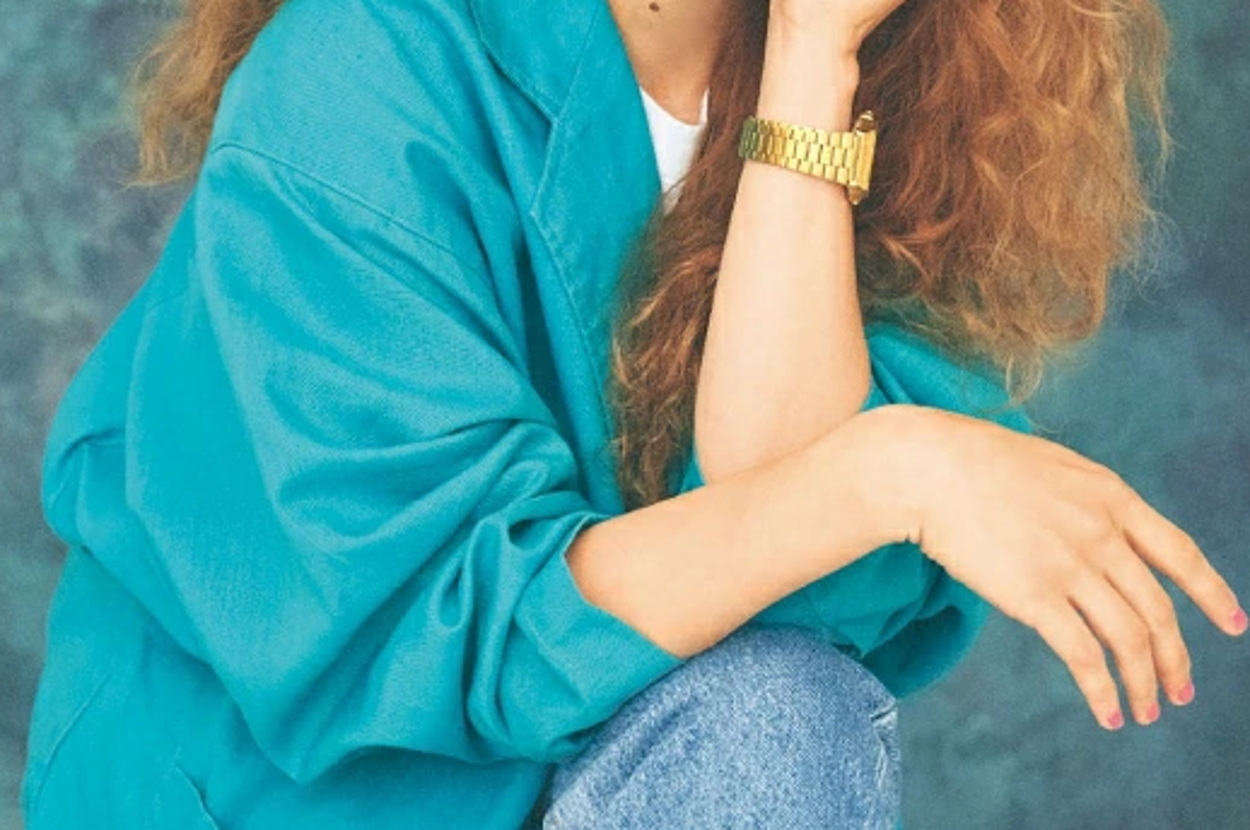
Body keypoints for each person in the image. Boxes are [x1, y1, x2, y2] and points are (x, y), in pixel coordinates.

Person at [21, 0, 1247, 826]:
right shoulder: (358, 64)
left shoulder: (929, 89)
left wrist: (811, 59)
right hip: (300, 792)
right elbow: (460, 631)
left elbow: (787, 566)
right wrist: (890, 472)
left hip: (639, 771)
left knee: (774, 706)